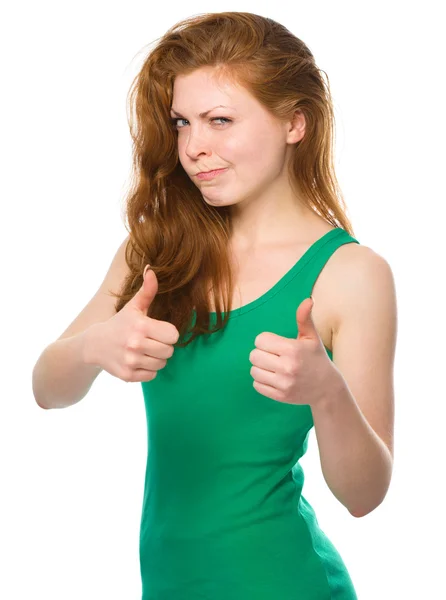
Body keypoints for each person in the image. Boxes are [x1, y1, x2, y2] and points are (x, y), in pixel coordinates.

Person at [32, 11, 397, 600]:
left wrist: (328, 393)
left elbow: (365, 496)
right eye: (182, 122)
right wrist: (93, 348)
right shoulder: (158, 249)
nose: (194, 147)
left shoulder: (352, 275)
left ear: (294, 123)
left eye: (219, 120)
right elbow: (48, 389)